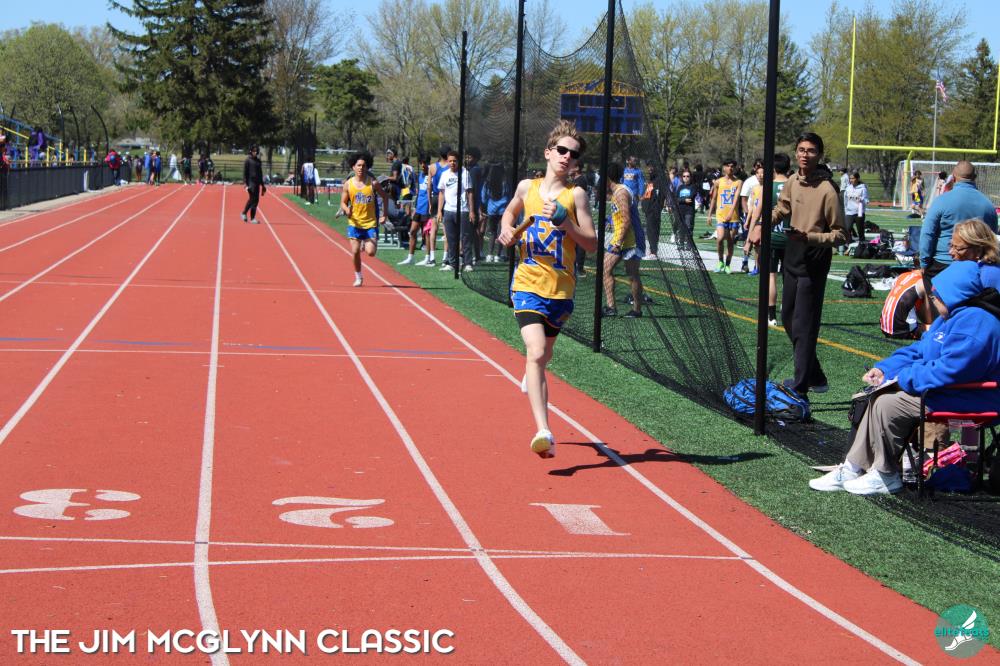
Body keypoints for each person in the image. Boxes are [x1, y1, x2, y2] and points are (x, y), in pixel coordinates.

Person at [809, 261, 1000, 495]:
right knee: (874, 396)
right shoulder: (952, 316)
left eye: (936, 295)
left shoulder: (976, 323)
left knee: (888, 402)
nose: (932, 300)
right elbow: (921, 350)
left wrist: (905, 377)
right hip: (953, 391)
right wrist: (886, 370)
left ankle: (885, 474)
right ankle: (853, 467)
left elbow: (952, 370)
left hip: (975, 398)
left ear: (954, 293)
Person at [496, 120, 597, 458]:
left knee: (544, 354)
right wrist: (507, 230)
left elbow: (591, 243)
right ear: (548, 153)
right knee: (537, 351)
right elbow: (508, 215)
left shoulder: (576, 195)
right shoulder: (528, 187)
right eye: (562, 150)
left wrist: (566, 223)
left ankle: (533, 372)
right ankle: (544, 431)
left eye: (574, 154)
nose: (567, 157)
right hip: (527, 284)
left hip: (561, 291)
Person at [771, 133, 845, 396]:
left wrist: (810, 237)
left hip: (814, 259)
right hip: (792, 255)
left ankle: (800, 385)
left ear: (819, 155)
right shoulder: (792, 181)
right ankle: (815, 375)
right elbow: (782, 208)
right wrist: (762, 223)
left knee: (804, 324)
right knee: (788, 318)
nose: (805, 155)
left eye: (811, 151)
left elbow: (841, 235)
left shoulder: (828, 190)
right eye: (801, 150)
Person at [919, 160, 998, 278]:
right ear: (974, 178)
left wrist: (924, 263)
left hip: (943, 263)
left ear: (953, 178)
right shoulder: (988, 205)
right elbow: (992, 238)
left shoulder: (941, 201)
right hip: (976, 267)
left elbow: (927, 233)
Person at [340, 152, 390, 287]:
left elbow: (385, 197)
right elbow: (343, 203)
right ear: (353, 167)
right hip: (354, 223)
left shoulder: (373, 183)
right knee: (355, 251)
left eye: (363, 165)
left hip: (370, 223)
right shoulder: (348, 184)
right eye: (358, 165)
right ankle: (358, 276)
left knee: (371, 252)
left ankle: (365, 241)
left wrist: (384, 215)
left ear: (367, 167)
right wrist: (346, 210)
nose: (361, 168)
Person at [602, 162, 645, 318]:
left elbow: (627, 220)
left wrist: (618, 243)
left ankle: (637, 309)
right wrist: (609, 220)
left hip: (632, 239)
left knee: (632, 274)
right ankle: (611, 307)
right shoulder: (616, 192)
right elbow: (620, 216)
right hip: (620, 237)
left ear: (608, 178)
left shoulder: (621, 192)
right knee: (606, 269)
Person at [436, 150, 476, 272]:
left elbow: (470, 192)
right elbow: (441, 193)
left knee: (465, 238)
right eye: (450, 161)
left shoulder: (465, 173)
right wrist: (439, 211)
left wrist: (471, 211)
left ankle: (468, 263)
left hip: (463, 210)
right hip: (448, 211)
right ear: (447, 162)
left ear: (458, 161)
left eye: (454, 161)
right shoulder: (444, 174)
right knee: (451, 238)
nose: (452, 163)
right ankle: (452, 263)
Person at [707, 159, 742, 273]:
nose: (730, 168)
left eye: (732, 166)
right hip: (721, 215)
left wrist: (731, 212)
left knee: (730, 241)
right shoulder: (718, 182)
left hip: (734, 217)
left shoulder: (738, 182)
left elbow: (736, 199)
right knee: (720, 238)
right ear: (724, 168)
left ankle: (727, 264)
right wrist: (709, 214)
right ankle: (720, 261)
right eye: (728, 166)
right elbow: (714, 198)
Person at [400, 154, 432, 266]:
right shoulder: (420, 176)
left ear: (429, 163)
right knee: (413, 231)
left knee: (426, 233)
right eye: (421, 163)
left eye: (425, 163)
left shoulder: (431, 175)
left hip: (427, 209)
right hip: (419, 208)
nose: (423, 165)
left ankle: (428, 258)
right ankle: (411, 257)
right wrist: (415, 206)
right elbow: (418, 192)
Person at [481, 161, 511, 263]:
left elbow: (483, 197)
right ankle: (498, 255)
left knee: (492, 233)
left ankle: (489, 255)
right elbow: (508, 195)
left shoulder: (487, 183)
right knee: (500, 233)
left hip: (491, 211)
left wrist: (488, 205)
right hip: (503, 211)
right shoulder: (505, 182)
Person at [640, 167, 663, 258]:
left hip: (654, 211)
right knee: (649, 231)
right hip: (648, 211)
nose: (649, 171)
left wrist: (656, 208)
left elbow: (660, 197)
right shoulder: (650, 182)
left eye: (651, 169)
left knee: (652, 231)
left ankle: (653, 252)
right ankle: (652, 251)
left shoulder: (659, 181)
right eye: (648, 168)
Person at [241, 144, 266, 224]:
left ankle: (252, 218)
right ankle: (244, 213)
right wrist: (245, 183)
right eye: (254, 151)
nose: (255, 152)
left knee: (256, 201)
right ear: (251, 151)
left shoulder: (258, 161)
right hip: (250, 183)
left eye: (256, 151)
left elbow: (260, 174)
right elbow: (245, 173)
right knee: (252, 199)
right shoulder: (247, 160)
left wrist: (263, 185)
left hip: (257, 183)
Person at [843, 171, 869, 244]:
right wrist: (845, 210)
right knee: (847, 228)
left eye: (853, 178)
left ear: (857, 179)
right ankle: (849, 242)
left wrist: (862, 199)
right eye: (850, 178)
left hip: (859, 212)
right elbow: (845, 201)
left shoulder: (863, 188)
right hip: (849, 212)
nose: (851, 180)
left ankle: (862, 243)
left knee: (860, 230)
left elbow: (866, 200)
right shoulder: (848, 188)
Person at [674, 169, 697, 239]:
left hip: (689, 211)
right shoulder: (680, 187)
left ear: (690, 177)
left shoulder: (693, 187)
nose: (686, 178)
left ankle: (689, 244)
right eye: (684, 176)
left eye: (687, 176)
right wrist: (684, 200)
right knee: (681, 228)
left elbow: (690, 198)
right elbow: (676, 198)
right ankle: (681, 243)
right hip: (680, 211)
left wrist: (680, 199)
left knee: (688, 227)